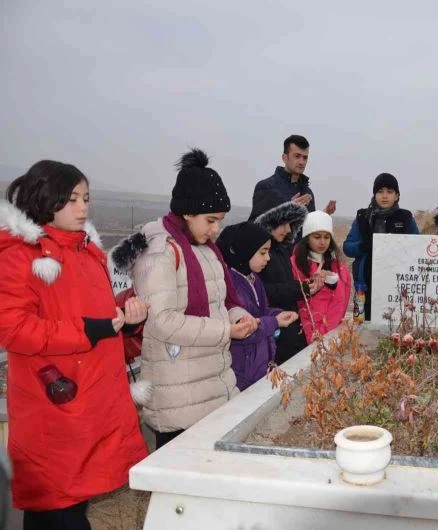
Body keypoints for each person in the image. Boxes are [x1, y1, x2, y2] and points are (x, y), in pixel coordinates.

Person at [0, 160, 148, 529]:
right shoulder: (20, 256)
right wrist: (88, 330)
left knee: (74, 505)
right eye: (72, 199)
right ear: (44, 199)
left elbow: (96, 319)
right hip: (53, 404)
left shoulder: (87, 253)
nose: (83, 208)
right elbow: (12, 329)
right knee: (54, 507)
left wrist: (125, 320)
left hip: (90, 401)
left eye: (86, 198)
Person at [112, 149, 259, 449]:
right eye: (211, 220)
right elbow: (162, 322)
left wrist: (237, 317)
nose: (216, 229)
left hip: (212, 385)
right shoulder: (161, 252)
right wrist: (225, 331)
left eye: (220, 220)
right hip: (177, 395)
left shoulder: (205, 248)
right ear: (187, 213)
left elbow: (221, 303)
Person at [217, 222, 299, 390]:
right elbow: (248, 329)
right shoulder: (232, 285)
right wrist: (275, 322)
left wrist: (279, 313)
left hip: (258, 365)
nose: (268, 258)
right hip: (242, 371)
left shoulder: (254, 279)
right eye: (263, 252)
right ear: (245, 250)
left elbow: (261, 311)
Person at [343, 173, 419, 322]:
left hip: (398, 284)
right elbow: (347, 248)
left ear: (397, 195)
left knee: (397, 328)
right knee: (365, 329)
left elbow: (417, 247)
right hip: (365, 284)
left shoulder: (406, 217)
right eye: (380, 191)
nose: (385, 196)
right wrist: (363, 246)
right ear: (374, 194)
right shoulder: (362, 217)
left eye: (389, 192)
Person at [253, 201, 310, 364]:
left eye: (291, 224)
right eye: (283, 223)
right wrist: (298, 288)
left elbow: (285, 283)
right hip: (272, 333)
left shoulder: (280, 250)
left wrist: (304, 286)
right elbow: (262, 292)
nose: (288, 230)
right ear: (269, 221)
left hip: (288, 328)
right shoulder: (259, 254)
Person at [292, 211, 352, 341]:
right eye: (317, 237)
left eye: (326, 237)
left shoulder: (338, 266)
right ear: (307, 238)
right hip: (307, 332)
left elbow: (344, 299)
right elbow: (299, 302)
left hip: (332, 330)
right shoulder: (296, 264)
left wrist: (333, 283)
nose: (322, 242)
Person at [249, 134, 336, 220]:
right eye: (297, 156)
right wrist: (287, 211)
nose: (302, 162)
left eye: (305, 157)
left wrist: (324, 214)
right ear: (284, 158)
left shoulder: (307, 193)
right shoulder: (266, 187)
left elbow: (308, 229)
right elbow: (255, 228)